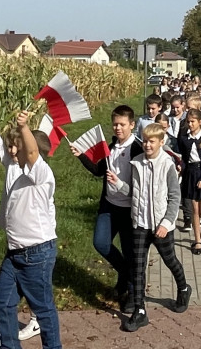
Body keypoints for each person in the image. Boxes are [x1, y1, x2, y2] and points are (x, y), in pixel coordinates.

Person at [0, 98, 61, 349]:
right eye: (12, 147)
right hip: (15, 252)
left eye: (18, 146)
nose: (13, 150)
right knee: (3, 301)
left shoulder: (40, 174)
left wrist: (24, 127)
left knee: (43, 309)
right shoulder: (14, 166)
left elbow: (32, 152)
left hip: (37, 252)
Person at [115, 123, 191, 332]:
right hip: (140, 223)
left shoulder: (167, 164)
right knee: (137, 267)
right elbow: (133, 191)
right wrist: (119, 185)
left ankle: (184, 287)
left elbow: (175, 197)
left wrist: (166, 223)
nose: (147, 145)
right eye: (145, 141)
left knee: (170, 260)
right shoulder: (136, 163)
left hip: (160, 225)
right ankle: (139, 311)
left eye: (152, 141)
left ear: (160, 142)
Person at [72, 105, 141, 311]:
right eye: (115, 124)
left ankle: (131, 293)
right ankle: (125, 273)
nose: (118, 128)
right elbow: (98, 170)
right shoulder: (110, 147)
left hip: (130, 210)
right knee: (101, 243)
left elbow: (142, 184)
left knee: (130, 252)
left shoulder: (137, 149)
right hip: (109, 206)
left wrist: (121, 183)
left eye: (122, 124)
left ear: (132, 125)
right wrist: (81, 155)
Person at [177, 109, 201, 254]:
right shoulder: (184, 139)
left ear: (200, 122)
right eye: (188, 121)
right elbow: (185, 158)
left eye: (193, 121)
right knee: (194, 209)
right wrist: (181, 166)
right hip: (190, 174)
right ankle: (197, 240)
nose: (190, 124)